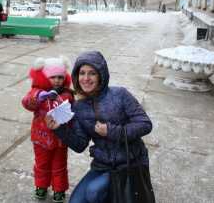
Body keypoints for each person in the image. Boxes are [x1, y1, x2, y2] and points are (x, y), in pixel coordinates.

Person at [46, 51, 152, 203]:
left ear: (101, 75)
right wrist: (59, 129)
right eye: (82, 73)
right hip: (103, 164)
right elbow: (80, 144)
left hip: (129, 162)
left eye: (92, 73)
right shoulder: (79, 107)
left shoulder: (120, 94)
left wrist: (111, 131)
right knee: (75, 201)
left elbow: (145, 124)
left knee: (94, 192)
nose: (86, 78)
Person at [22, 57, 74, 202]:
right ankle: (41, 186)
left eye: (60, 77)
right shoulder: (37, 92)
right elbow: (26, 103)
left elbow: (71, 111)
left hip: (60, 139)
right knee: (42, 164)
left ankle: (59, 189)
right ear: (45, 77)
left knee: (59, 164)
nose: (57, 80)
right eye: (53, 77)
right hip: (41, 138)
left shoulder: (67, 94)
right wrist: (39, 97)